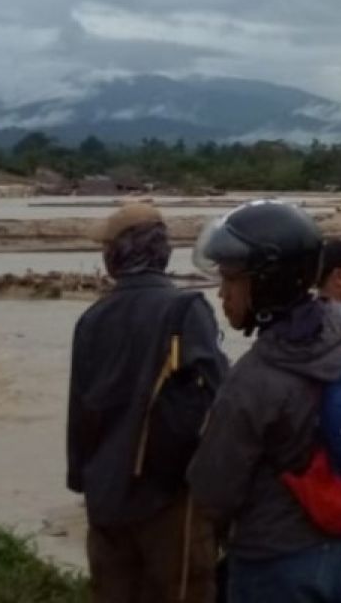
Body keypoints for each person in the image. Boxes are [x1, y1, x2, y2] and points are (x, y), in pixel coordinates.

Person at [186, 200, 341, 603]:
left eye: (231, 279)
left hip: (275, 561)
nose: (221, 292)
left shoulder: (250, 381)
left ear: (267, 282)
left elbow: (213, 493)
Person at [67, 203, 229, 603]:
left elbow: (80, 410)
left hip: (105, 495)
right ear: (160, 251)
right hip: (169, 496)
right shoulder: (185, 309)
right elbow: (219, 397)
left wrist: (82, 479)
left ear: (117, 256)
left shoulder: (92, 318)